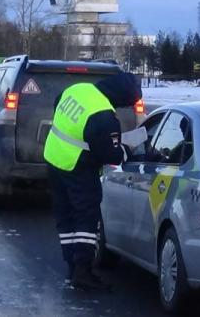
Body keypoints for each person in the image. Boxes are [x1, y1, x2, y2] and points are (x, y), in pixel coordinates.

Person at [43, 72, 141, 291]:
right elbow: (111, 156)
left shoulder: (79, 89)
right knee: (86, 217)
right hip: (77, 166)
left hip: (54, 157)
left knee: (66, 215)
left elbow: (58, 102)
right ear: (121, 97)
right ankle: (83, 271)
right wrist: (126, 150)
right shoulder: (104, 116)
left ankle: (72, 266)